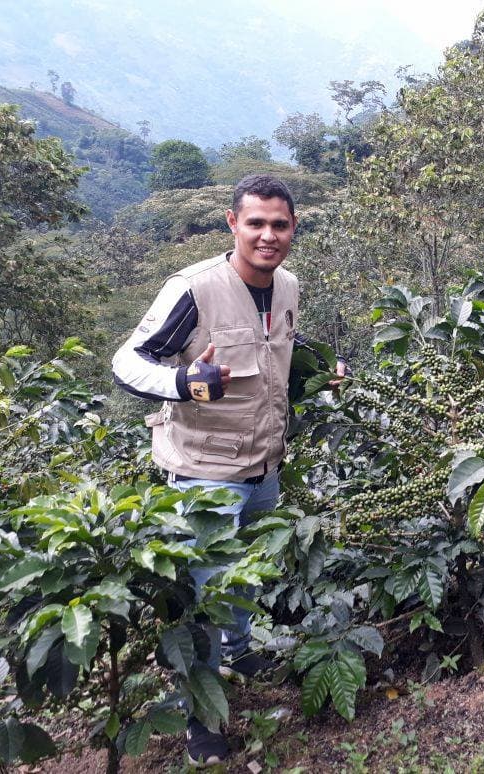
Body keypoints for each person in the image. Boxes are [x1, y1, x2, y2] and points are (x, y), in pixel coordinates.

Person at [113, 173, 342, 766]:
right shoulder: (193, 290)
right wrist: (182, 383)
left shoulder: (288, 285)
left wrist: (319, 368)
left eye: (280, 225)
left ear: (294, 229)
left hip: (265, 463)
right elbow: (128, 361)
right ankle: (201, 719)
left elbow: (275, 350)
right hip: (203, 470)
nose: (268, 236)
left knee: (243, 576)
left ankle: (241, 653)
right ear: (231, 223)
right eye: (256, 223)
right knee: (202, 595)